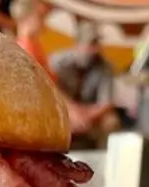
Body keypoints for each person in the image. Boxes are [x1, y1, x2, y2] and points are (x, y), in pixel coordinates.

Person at [10, 0, 113, 135]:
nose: (44, 21)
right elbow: (46, 87)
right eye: (40, 16)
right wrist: (72, 111)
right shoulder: (25, 49)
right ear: (27, 18)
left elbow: (51, 85)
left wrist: (77, 110)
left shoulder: (35, 46)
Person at [50, 22, 120, 147]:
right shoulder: (58, 62)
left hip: (89, 110)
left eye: (97, 44)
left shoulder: (104, 67)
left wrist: (85, 117)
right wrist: (72, 113)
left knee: (111, 121)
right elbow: (52, 91)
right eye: (90, 44)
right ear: (78, 44)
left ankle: (104, 159)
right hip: (65, 108)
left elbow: (105, 103)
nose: (95, 49)